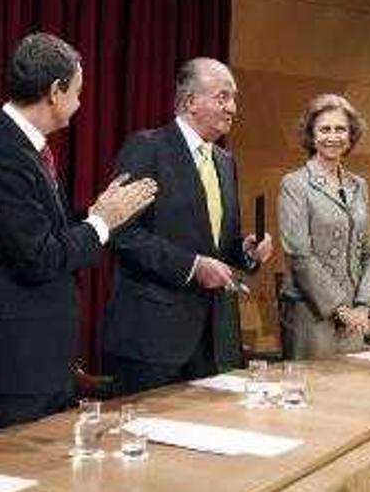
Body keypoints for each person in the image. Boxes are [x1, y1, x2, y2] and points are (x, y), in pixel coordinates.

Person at [0, 33, 156, 432]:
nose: (80, 104)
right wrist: (101, 222)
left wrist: (98, 213)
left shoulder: (26, 147)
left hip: (38, 357)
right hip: (16, 362)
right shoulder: (2, 151)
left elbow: (47, 229)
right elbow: (38, 256)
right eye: (78, 92)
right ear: (55, 91)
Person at [102, 57, 273, 395]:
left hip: (211, 340)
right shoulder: (147, 148)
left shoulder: (225, 162)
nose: (233, 108)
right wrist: (192, 267)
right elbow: (122, 234)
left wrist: (246, 251)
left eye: (234, 98)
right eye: (223, 97)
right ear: (190, 101)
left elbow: (220, 244)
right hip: (151, 338)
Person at [277, 94, 370, 359]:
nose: (333, 136)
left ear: (351, 135)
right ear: (311, 136)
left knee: (349, 393)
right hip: (310, 313)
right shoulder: (295, 184)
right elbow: (300, 255)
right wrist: (340, 308)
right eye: (325, 129)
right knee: (312, 394)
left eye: (340, 129)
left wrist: (363, 306)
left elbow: (368, 253)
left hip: (354, 318)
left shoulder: (359, 185)